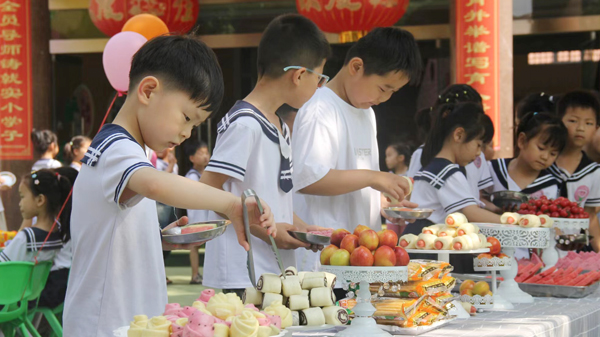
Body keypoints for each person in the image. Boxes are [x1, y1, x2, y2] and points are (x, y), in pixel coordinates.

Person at [63, 34, 276, 337]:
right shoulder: (115, 147)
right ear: (148, 91)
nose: (188, 133)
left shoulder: (135, 151)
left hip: (134, 324)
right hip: (105, 326)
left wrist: (161, 240)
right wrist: (229, 203)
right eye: (187, 117)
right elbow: (155, 185)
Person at [200, 14, 331, 297]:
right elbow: (207, 189)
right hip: (241, 272)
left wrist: (302, 228)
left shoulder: (279, 123)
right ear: (298, 75)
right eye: (319, 78)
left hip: (272, 270)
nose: (319, 87)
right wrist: (268, 232)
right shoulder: (245, 125)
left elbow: (274, 195)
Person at [292, 27, 421, 273]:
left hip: (361, 259)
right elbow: (309, 179)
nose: (385, 99)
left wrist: (383, 202)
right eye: (383, 88)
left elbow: (355, 181)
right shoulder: (321, 109)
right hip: (324, 262)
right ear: (356, 67)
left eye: (393, 92)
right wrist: (375, 177)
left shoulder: (367, 113)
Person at [407, 102, 499, 233]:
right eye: (478, 145)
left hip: (418, 236)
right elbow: (471, 213)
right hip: (428, 241)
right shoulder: (448, 173)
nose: (479, 153)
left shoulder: (432, 166)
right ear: (459, 135)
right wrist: (512, 221)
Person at [407, 84, 494, 207]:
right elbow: (411, 196)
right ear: (458, 133)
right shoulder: (427, 157)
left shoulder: (477, 156)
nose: (479, 151)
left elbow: (477, 198)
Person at [549, 90, 600, 252]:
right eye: (573, 121)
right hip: (542, 245)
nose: (580, 128)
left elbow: (590, 215)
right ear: (559, 122)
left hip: (575, 249)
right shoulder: (543, 163)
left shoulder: (593, 172)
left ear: (596, 128)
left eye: (588, 123)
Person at [488, 112, 567, 199]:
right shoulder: (491, 169)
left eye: (553, 154)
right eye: (541, 148)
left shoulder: (550, 186)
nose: (545, 157)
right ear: (522, 141)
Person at [184, 139, 211, 284]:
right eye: (201, 153)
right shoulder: (192, 175)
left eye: (207, 153)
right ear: (192, 158)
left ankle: (204, 274)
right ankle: (195, 275)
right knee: (195, 246)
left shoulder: (207, 174)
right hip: (197, 217)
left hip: (206, 215)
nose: (206, 156)